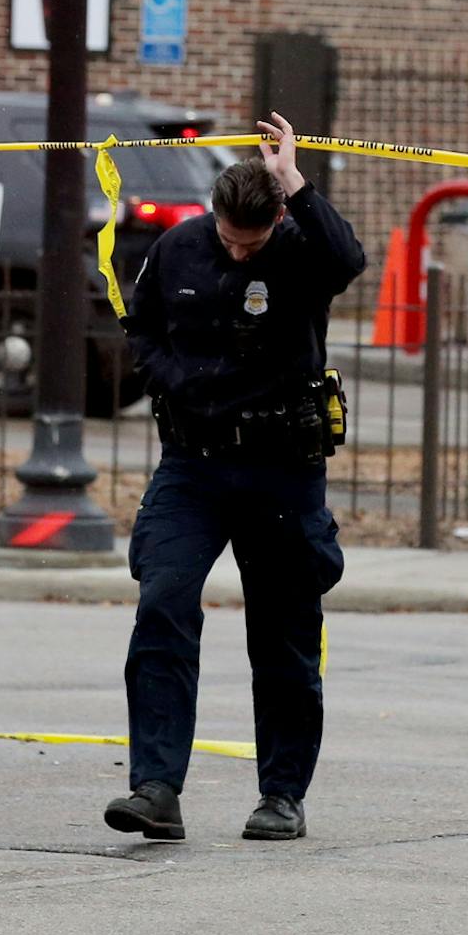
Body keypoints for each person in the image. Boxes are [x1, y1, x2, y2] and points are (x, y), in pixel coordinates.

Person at [104, 110, 367, 844]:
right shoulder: (181, 246)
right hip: (194, 464)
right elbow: (141, 326)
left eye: (250, 241)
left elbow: (348, 262)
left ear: (276, 218)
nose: (237, 249)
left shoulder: (301, 251)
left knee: (283, 634)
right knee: (163, 603)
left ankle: (282, 794)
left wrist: (296, 181)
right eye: (228, 236)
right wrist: (173, 380)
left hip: (283, 469)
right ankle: (156, 787)